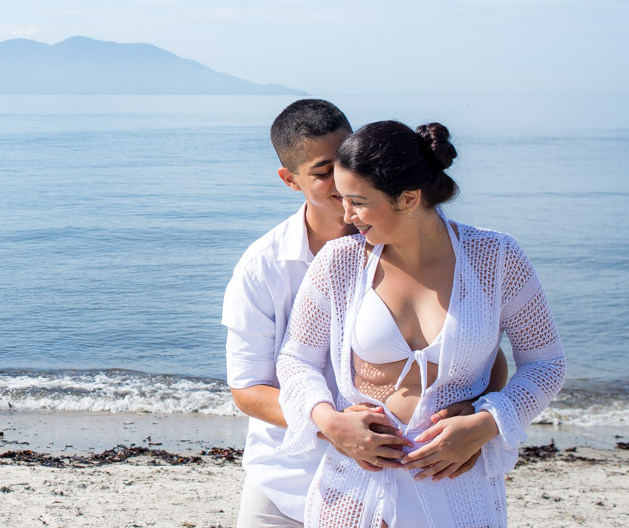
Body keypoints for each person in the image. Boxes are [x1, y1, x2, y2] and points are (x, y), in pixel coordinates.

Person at [276, 121, 566, 528]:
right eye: (342, 199)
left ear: (408, 198)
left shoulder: (496, 257)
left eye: (357, 202)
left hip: (458, 484)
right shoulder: (339, 261)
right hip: (356, 489)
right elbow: (295, 360)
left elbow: (546, 364)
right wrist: (329, 420)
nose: (346, 215)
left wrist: (485, 423)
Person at [224, 101, 412, 528]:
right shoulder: (263, 266)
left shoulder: (411, 245)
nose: (344, 177)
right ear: (289, 180)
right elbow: (248, 388)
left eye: (349, 155)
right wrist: (332, 426)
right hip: (287, 477)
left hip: (390, 475)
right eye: (324, 170)